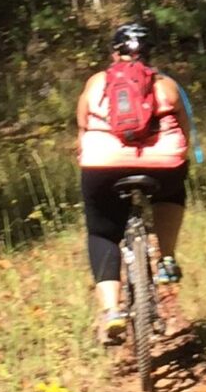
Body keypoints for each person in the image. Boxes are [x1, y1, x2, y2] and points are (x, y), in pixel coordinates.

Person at [77, 22, 194, 342]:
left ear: (114, 53)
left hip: (102, 165)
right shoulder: (166, 84)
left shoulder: (96, 82)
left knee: (102, 232)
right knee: (173, 194)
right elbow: (185, 128)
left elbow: (82, 125)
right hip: (162, 164)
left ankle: (112, 311)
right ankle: (167, 260)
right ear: (149, 53)